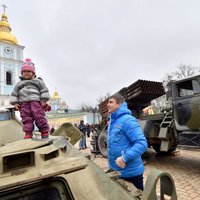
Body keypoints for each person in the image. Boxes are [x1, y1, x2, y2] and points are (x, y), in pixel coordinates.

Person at [107, 93, 148, 191]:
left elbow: (141, 144)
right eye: (107, 102)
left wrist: (124, 158)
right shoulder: (113, 121)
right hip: (117, 172)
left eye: (111, 102)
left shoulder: (128, 120)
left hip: (131, 174)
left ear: (119, 104)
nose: (108, 105)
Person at [10, 58, 50, 139]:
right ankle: (28, 133)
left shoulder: (38, 82)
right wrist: (15, 103)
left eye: (28, 71)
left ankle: (44, 131)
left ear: (33, 72)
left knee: (39, 116)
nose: (26, 73)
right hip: (24, 104)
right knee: (26, 118)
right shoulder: (19, 84)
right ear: (22, 73)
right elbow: (14, 94)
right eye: (24, 72)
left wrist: (44, 100)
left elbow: (44, 90)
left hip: (36, 103)